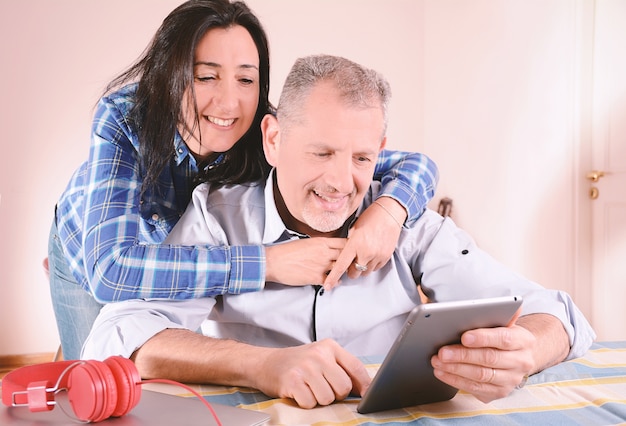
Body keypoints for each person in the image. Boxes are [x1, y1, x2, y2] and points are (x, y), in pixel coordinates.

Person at [82, 54, 595, 409]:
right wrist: (263, 366)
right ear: (274, 138)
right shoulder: (217, 218)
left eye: (362, 158)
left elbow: (558, 313)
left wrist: (528, 350)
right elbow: (117, 335)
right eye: (321, 153)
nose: (340, 181)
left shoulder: (405, 219)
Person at [48, 0, 439, 360]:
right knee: (94, 380)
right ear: (171, 74)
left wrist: (390, 211)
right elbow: (110, 270)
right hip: (91, 253)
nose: (229, 102)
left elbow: (411, 164)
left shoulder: (266, 130)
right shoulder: (125, 117)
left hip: (184, 258)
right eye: (206, 77)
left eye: (246, 80)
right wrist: (267, 263)